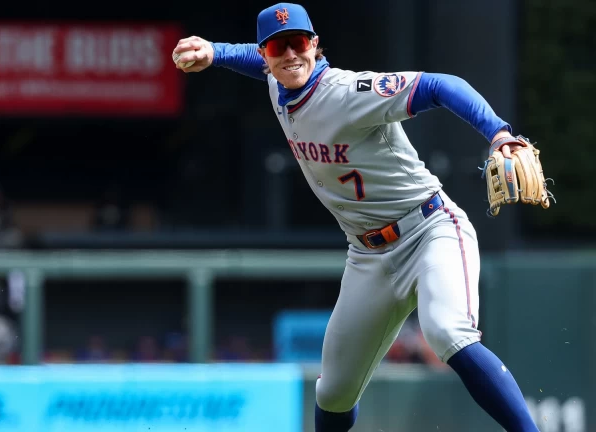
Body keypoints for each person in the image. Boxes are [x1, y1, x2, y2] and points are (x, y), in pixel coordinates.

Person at [172, 3, 540, 431]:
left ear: (315, 45)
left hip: (428, 230)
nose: (290, 54)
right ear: (265, 56)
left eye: (298, 43)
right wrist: (215, 52)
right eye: (277, 47)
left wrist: (498, 132)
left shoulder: (351, 92)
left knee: (447, 332)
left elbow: (440, 85)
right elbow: (258, 62)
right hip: (367, 256)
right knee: (334, 391)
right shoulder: (277, 81)